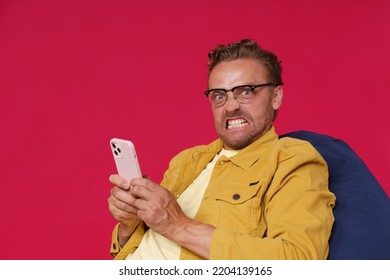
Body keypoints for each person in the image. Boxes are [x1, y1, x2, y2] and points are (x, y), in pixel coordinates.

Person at [108, 39, 336, 260]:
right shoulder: (187, 160)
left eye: (246, 91)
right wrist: (129, 224)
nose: (231, 106)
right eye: (219, 95)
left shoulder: (291, 159)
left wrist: (178, 225)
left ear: (276, 97)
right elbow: (140, 248)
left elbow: (297, 259)